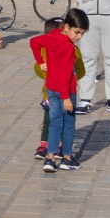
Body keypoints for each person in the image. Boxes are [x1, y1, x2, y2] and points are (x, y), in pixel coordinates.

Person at [31, 9, 87, 172]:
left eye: (82, 34)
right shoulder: (69, 49)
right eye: (77, 33)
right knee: (68, 124)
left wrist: (40, 61)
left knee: (55, 123)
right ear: (67, 27)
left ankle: (49, 158)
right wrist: (66, 98)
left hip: (50, 88)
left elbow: (34, 42)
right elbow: (65, 75)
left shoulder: (50, 37)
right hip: (65, 91)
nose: (79, 37)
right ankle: (67, 158)